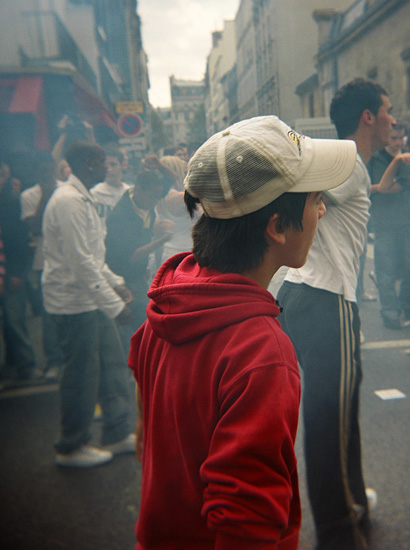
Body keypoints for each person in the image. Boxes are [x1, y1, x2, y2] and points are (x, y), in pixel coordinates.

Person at [128, 115, 358, 549]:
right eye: (315, 199)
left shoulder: (168, 302)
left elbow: (145, 418)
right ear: (277, 226)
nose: (322, 209)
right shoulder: (262, 351)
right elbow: (247, 519)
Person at [277, 78, 395, 549]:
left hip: (301, 294)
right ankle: (339, 531)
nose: (392, 120)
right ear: (368, 117)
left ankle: (352, 500)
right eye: (387, 111)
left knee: (337, 411)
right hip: (329, 300)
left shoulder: (347, 166)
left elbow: (321, 195)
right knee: (332, 419)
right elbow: (305, 185)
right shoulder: (346, 161)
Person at [42, 141, 135, 468]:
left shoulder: (83, 198)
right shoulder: (68, 201)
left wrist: (116, 282)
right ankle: (71, 446)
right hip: (72, 302)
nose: (106, 165)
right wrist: (115, 305)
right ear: (86, 164)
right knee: (81, 376)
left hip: (91, 298)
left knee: (112, 366)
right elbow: (80, 262)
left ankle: (116, 432)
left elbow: (94, 257)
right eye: (100, 160)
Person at [105, 163, 173, 352]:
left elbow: (170, 181)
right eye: (152, 196)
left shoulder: (145, 200)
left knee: (145, 322)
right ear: (138, 190)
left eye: (158, 196)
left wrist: (158, 164)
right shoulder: (121, 216)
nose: (155, 201)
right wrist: (162, 239)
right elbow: (131, 255)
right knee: (137, 324)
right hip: (122, 277)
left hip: (138, 275)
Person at [368, 121, 410, 328]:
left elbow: (407, 184)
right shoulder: (375, 158)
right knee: (385, 269)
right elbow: (372, 187)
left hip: (407, 218)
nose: (397, 143)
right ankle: (390, 311)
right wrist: (387, 186)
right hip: (384, 221)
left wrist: (388, 186)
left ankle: (408, 302)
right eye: (393, 138)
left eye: (400, 138)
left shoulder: (408, 157)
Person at [20, 153, 63, 381]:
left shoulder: (67, 189)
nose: (47, 174)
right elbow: (35, 229)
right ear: (37, 172)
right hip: (44, 262)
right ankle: (54, 361)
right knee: (49, 315)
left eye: (49, 169)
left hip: (69, 259)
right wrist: (45, 197)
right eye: (42, 170)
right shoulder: (29, 195)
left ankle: (69, 359)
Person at [0, 160, 37, 382]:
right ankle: (11, 366)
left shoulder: (12, 203)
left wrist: (16, 273)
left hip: (10, 269)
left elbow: (21, 242)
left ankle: (26, 365)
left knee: (15, 321)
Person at [91, 147, 131, 233]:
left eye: (113, 165)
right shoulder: (94, 194)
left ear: (122, 165)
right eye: (106, 166)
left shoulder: (130, 193)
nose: (109, 169)